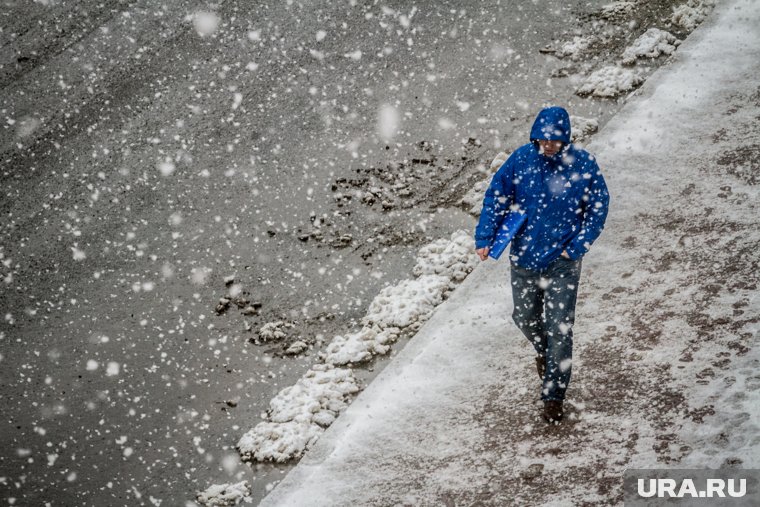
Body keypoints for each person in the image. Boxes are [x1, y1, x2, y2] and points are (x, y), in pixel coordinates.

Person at [474, 106, 610, 423]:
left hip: (562, 262)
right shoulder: (521, 160)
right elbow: (497, 196)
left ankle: (553, 396)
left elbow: (599, 206)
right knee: (524, 317)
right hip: (523, 259)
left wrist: (577, 246)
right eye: (543, 139)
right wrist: (485, 236)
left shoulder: (583, 164)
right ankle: (545, 352)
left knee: (561, 328)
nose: (548, 145)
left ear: (564, 138)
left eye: (554, 140)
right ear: (535, 136)